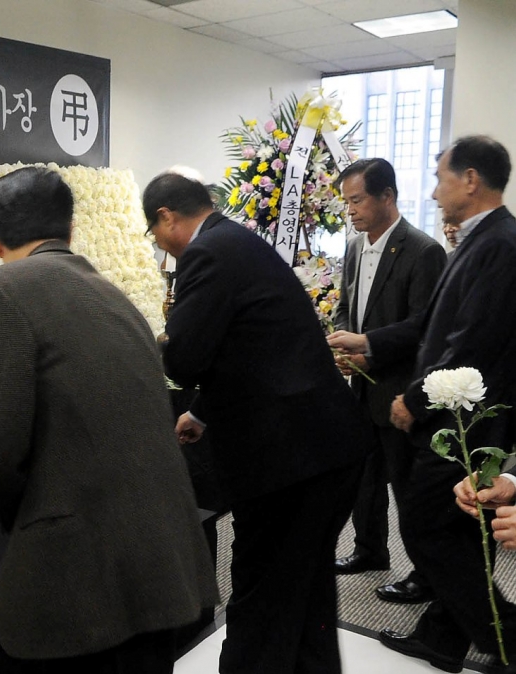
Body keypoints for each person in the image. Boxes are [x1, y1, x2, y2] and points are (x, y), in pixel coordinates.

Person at [0, 166, 218, 673]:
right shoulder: (113, 294)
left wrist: (24, 515)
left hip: (87, 580)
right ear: (69, 231)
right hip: (162, 560)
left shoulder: (2, 289)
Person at [146, 170, 370, 673]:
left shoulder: (205, 254)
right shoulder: (239, 242)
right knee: (306, 589)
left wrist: (156, 340)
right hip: (325, 447)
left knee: (261, 594)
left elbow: (184, 356)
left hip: (287, 462)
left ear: (166, 217)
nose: (159, 245)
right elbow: (254, 347)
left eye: (154, 233)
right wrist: (202, 412)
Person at [329, 135, 516, 673]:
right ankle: (441, 636)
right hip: (457, 414)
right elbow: (433, 327)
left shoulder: (498, 244)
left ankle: (504, 635)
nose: (434, 193)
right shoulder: (481, 241)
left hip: (466, 421)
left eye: (441, 179)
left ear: (471, 180)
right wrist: (368, 344)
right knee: (450, 530)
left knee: (428, 527)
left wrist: (413, 398)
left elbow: (470, 342)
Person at [329, 158, 446, 610]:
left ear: (387, 197)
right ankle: (369, 548)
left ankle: (423, 572)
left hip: (400, 389)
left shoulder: (422, 250)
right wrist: (345, 345)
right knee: (365, 477)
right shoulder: (356, 247)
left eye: (357, 201)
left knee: (407, 486)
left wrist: (369, 344)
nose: (351, 211)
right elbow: (345, 306)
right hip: (359, 386)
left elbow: (425, 325)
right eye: (346, 203)